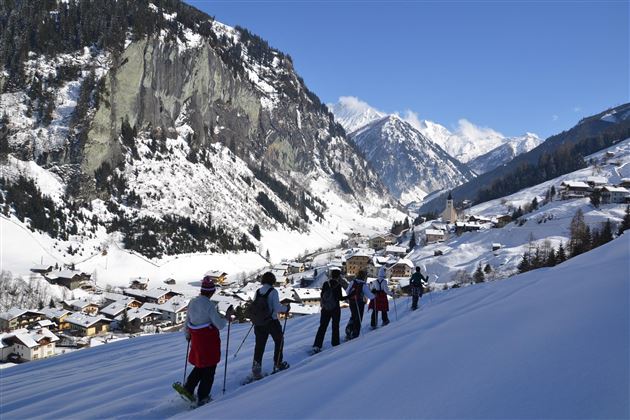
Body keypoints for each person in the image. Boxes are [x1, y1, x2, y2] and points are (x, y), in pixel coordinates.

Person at [183, 276, 234, 406]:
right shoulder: (209, 305)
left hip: (196, 339)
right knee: (209, 368)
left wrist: (187, 334)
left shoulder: (193, 302)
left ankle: (188, 388)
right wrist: (227, 318)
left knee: (200, 365)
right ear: (211, 292)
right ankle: (203, 396)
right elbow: (220, 325)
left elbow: (187, 321)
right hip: (208, 341)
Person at [252, 272, 290, 379]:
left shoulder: (258, 291)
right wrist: (286, 308)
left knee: (259, 345)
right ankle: (278, 363)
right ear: (273, 280)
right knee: (279, 341)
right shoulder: (273, 292)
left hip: (259, 323)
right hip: (271, 321)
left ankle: (256, 369)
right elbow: (277, 308)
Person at [312, 267, 346, 353]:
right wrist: (351, 296)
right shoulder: (338, 285)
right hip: (335, 309)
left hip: (325, 309)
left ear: (331, 275)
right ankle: (335, 344)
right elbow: (340, 298)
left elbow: (322, 294)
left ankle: (317, 345)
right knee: (335, 326)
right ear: (338, 276)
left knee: (322, 327)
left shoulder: (325, 284)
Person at [345, 270, 374, 340]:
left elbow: (347, 291)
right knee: (358, 318)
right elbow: (370, 296)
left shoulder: (353, 282)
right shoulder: (364, 285)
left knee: (353, 315)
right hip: (360, 303)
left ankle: (349, 329)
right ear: (364, 277)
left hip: (352, 302)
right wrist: (374, 295)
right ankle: (355, 334)